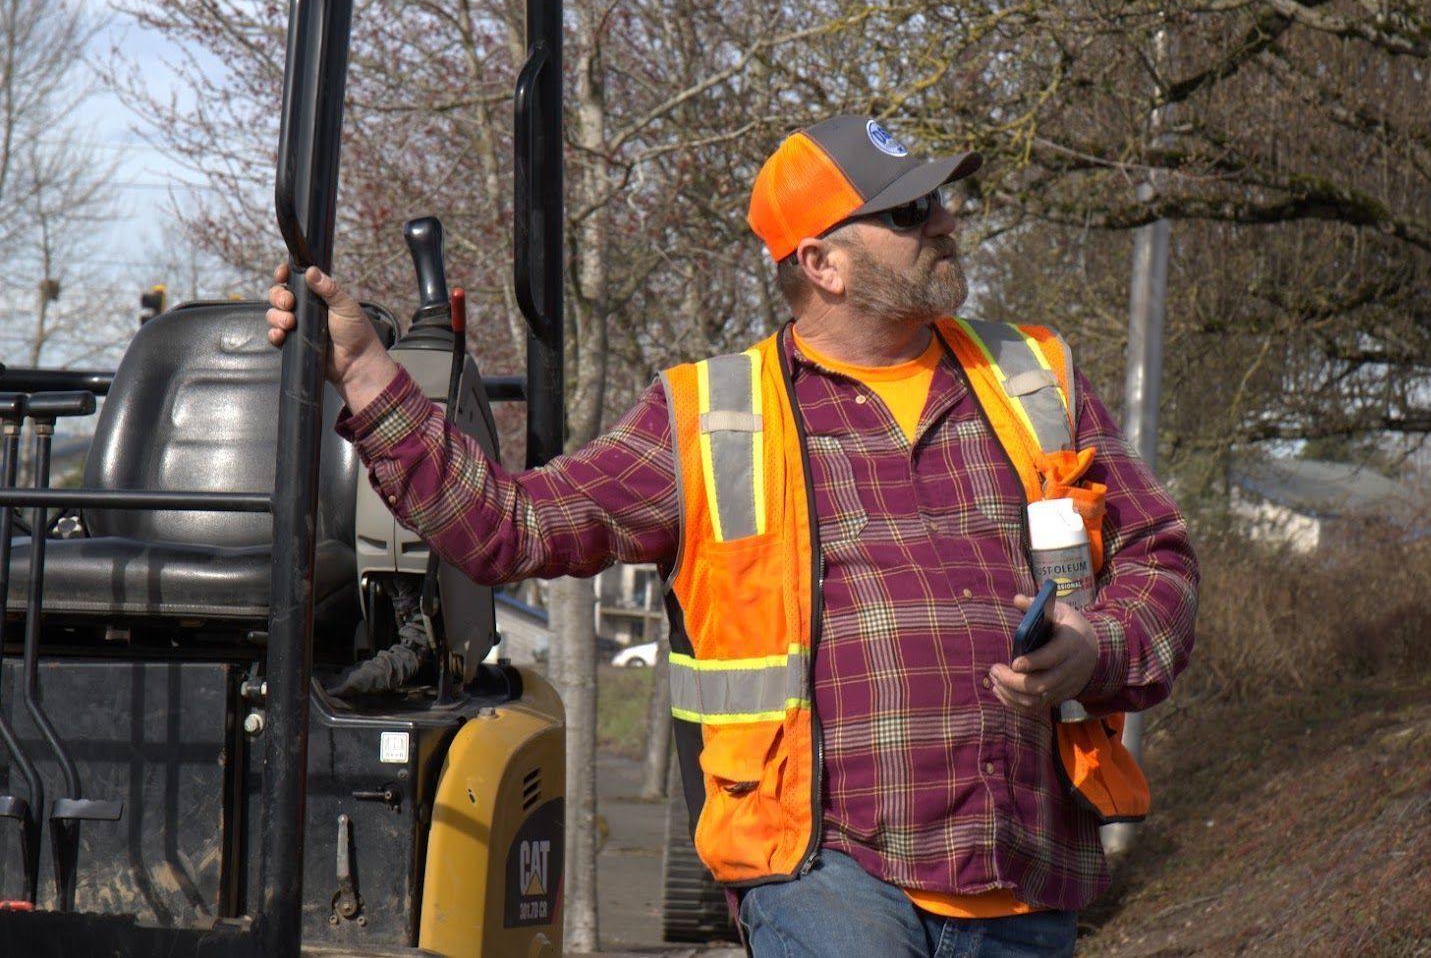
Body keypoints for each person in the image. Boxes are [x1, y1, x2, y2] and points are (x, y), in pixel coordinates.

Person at [265, 114, 1199, 957]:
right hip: (825, 875)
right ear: (823, 263)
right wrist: (362, 369)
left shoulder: (1033, 377)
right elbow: (508, 527)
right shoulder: (707, 416)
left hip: (1024, 873)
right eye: (911, 211)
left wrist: (1095, 644)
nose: (946, 221)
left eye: (940, 198)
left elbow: (1158, 556)